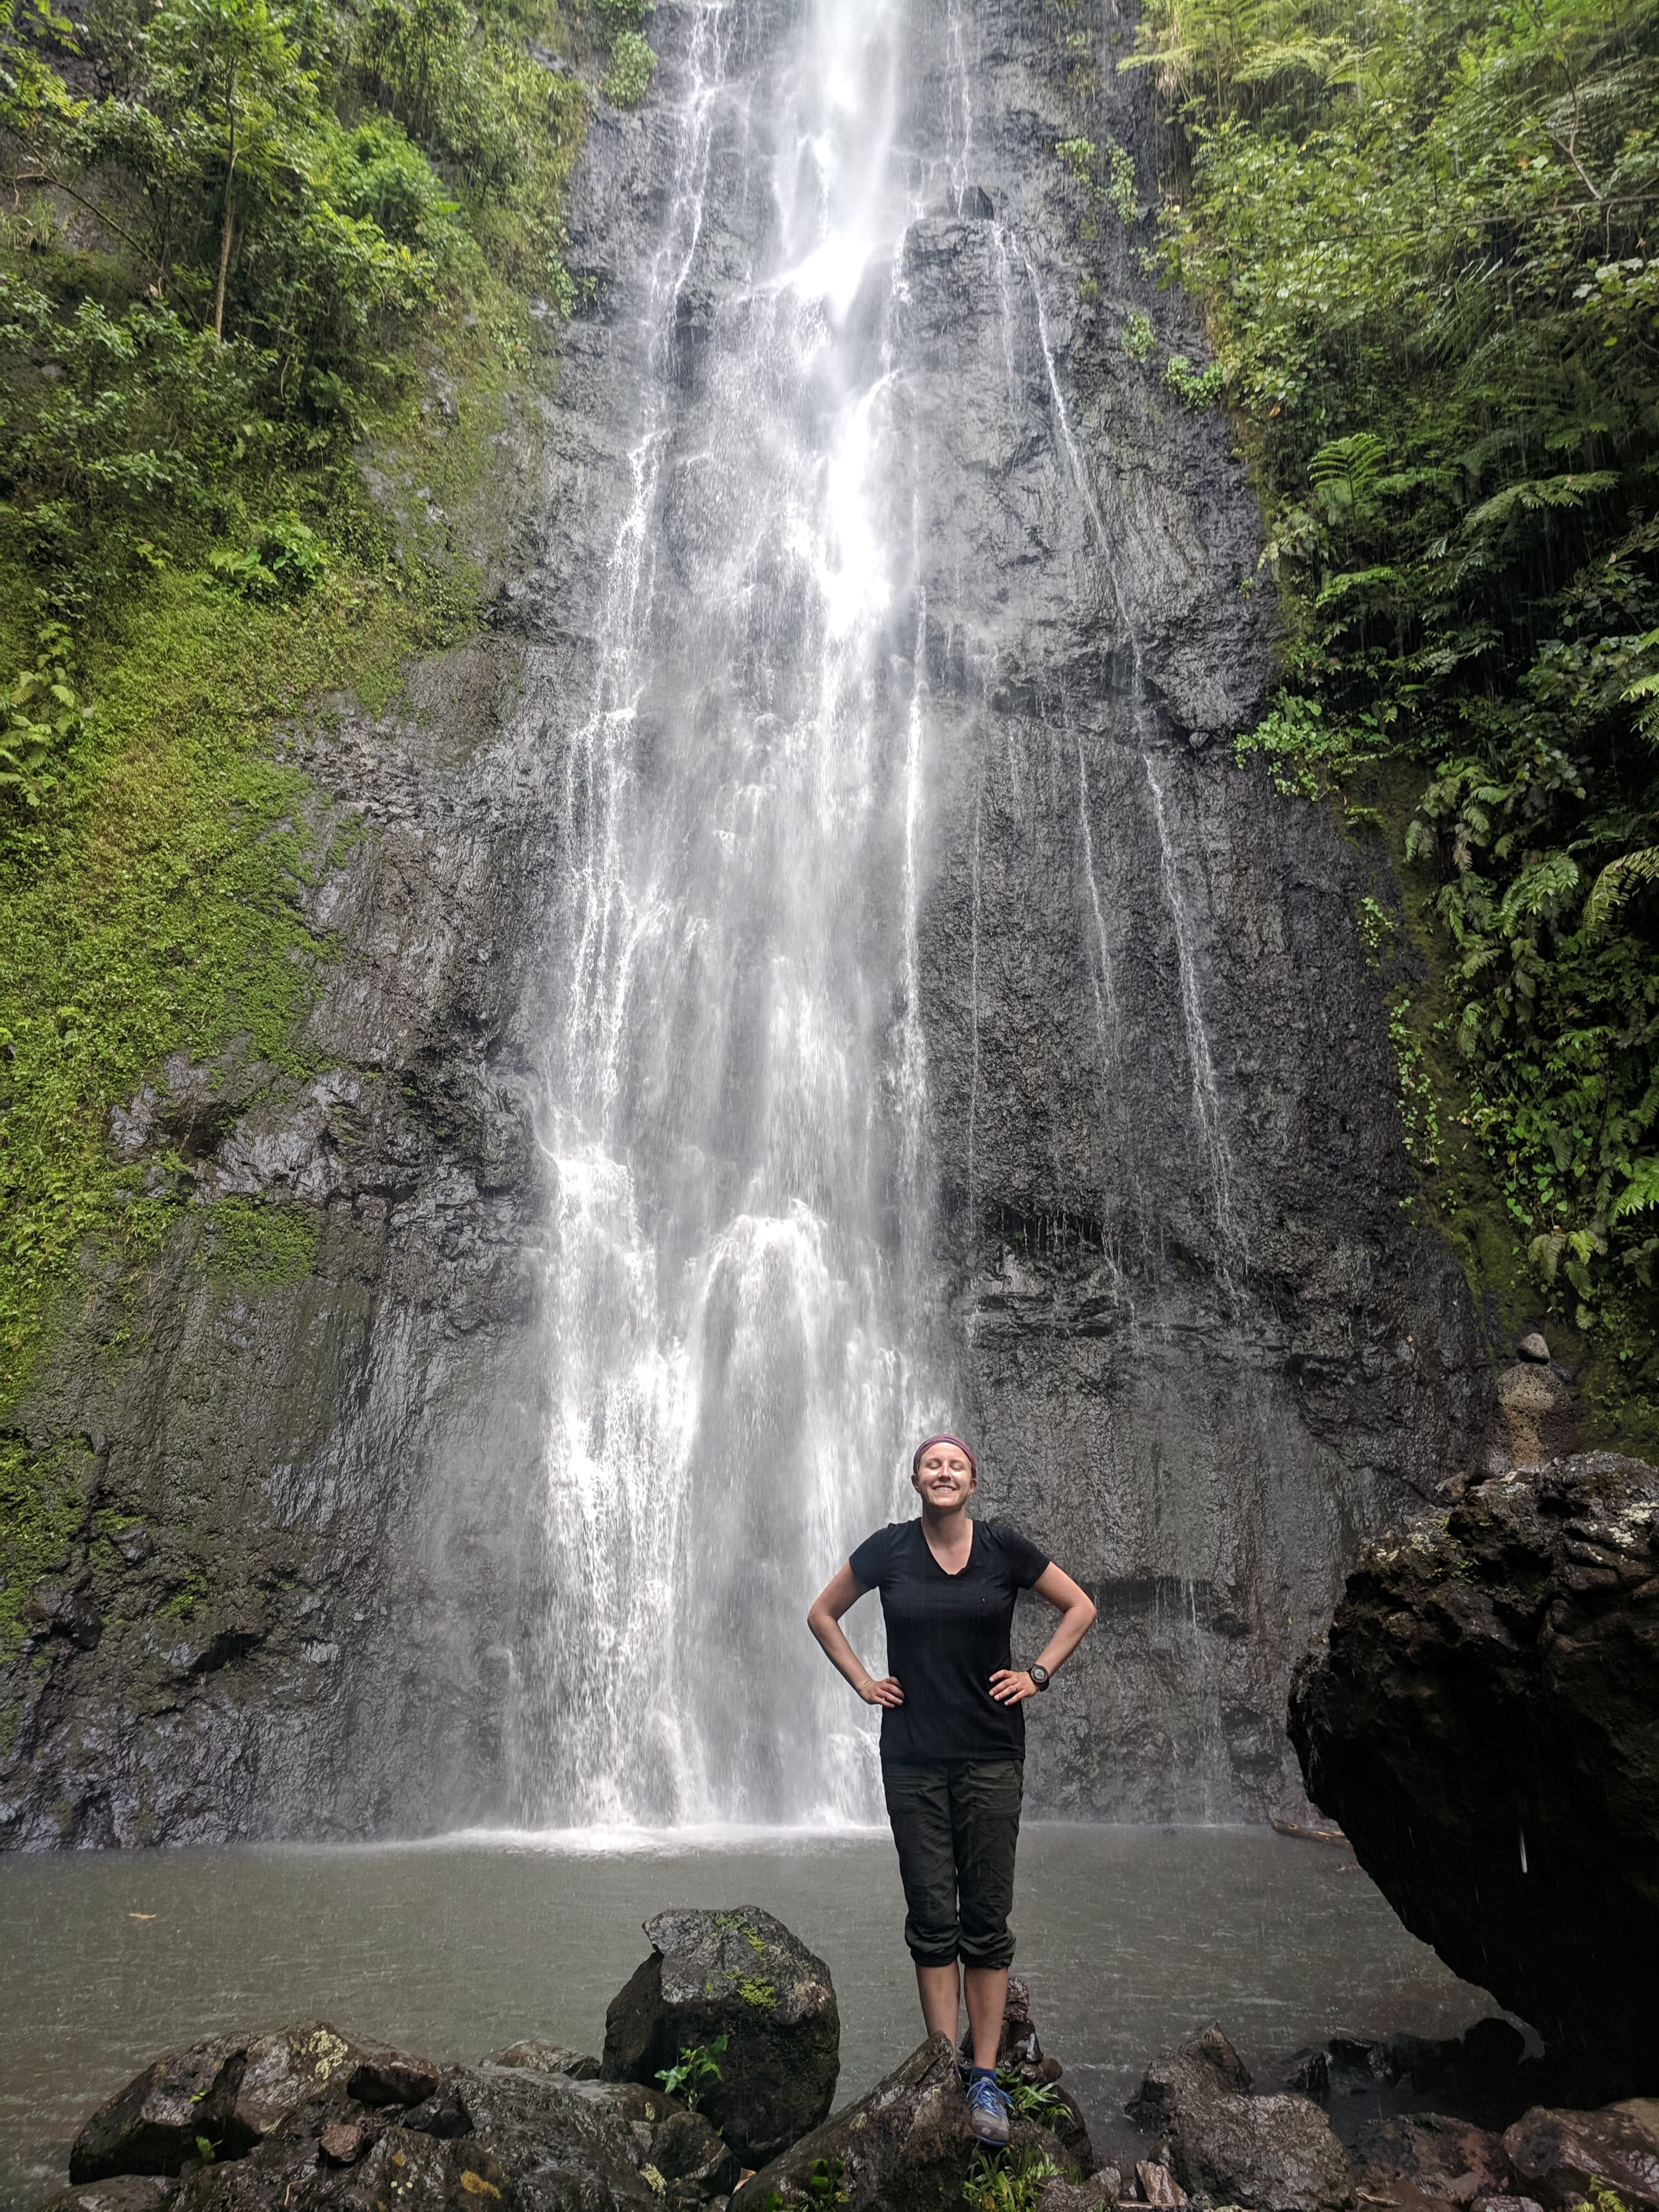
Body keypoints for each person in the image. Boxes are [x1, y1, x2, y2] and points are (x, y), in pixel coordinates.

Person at [806, 1433, 1097, 2146]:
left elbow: (1079, 1607)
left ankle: (986, 2074)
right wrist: (862, 1681)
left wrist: (1038, 1673)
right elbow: (822, 1613)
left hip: (990, 1758)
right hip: (911, 1760)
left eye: (955, 1465)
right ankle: (942, 2065)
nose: (943, 1472)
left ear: (973, 1481)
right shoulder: (889, 1550)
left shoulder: (1003, 1548)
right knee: (933, 1915)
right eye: (932, 1463)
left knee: (986, 1919)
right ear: (914, 1478)